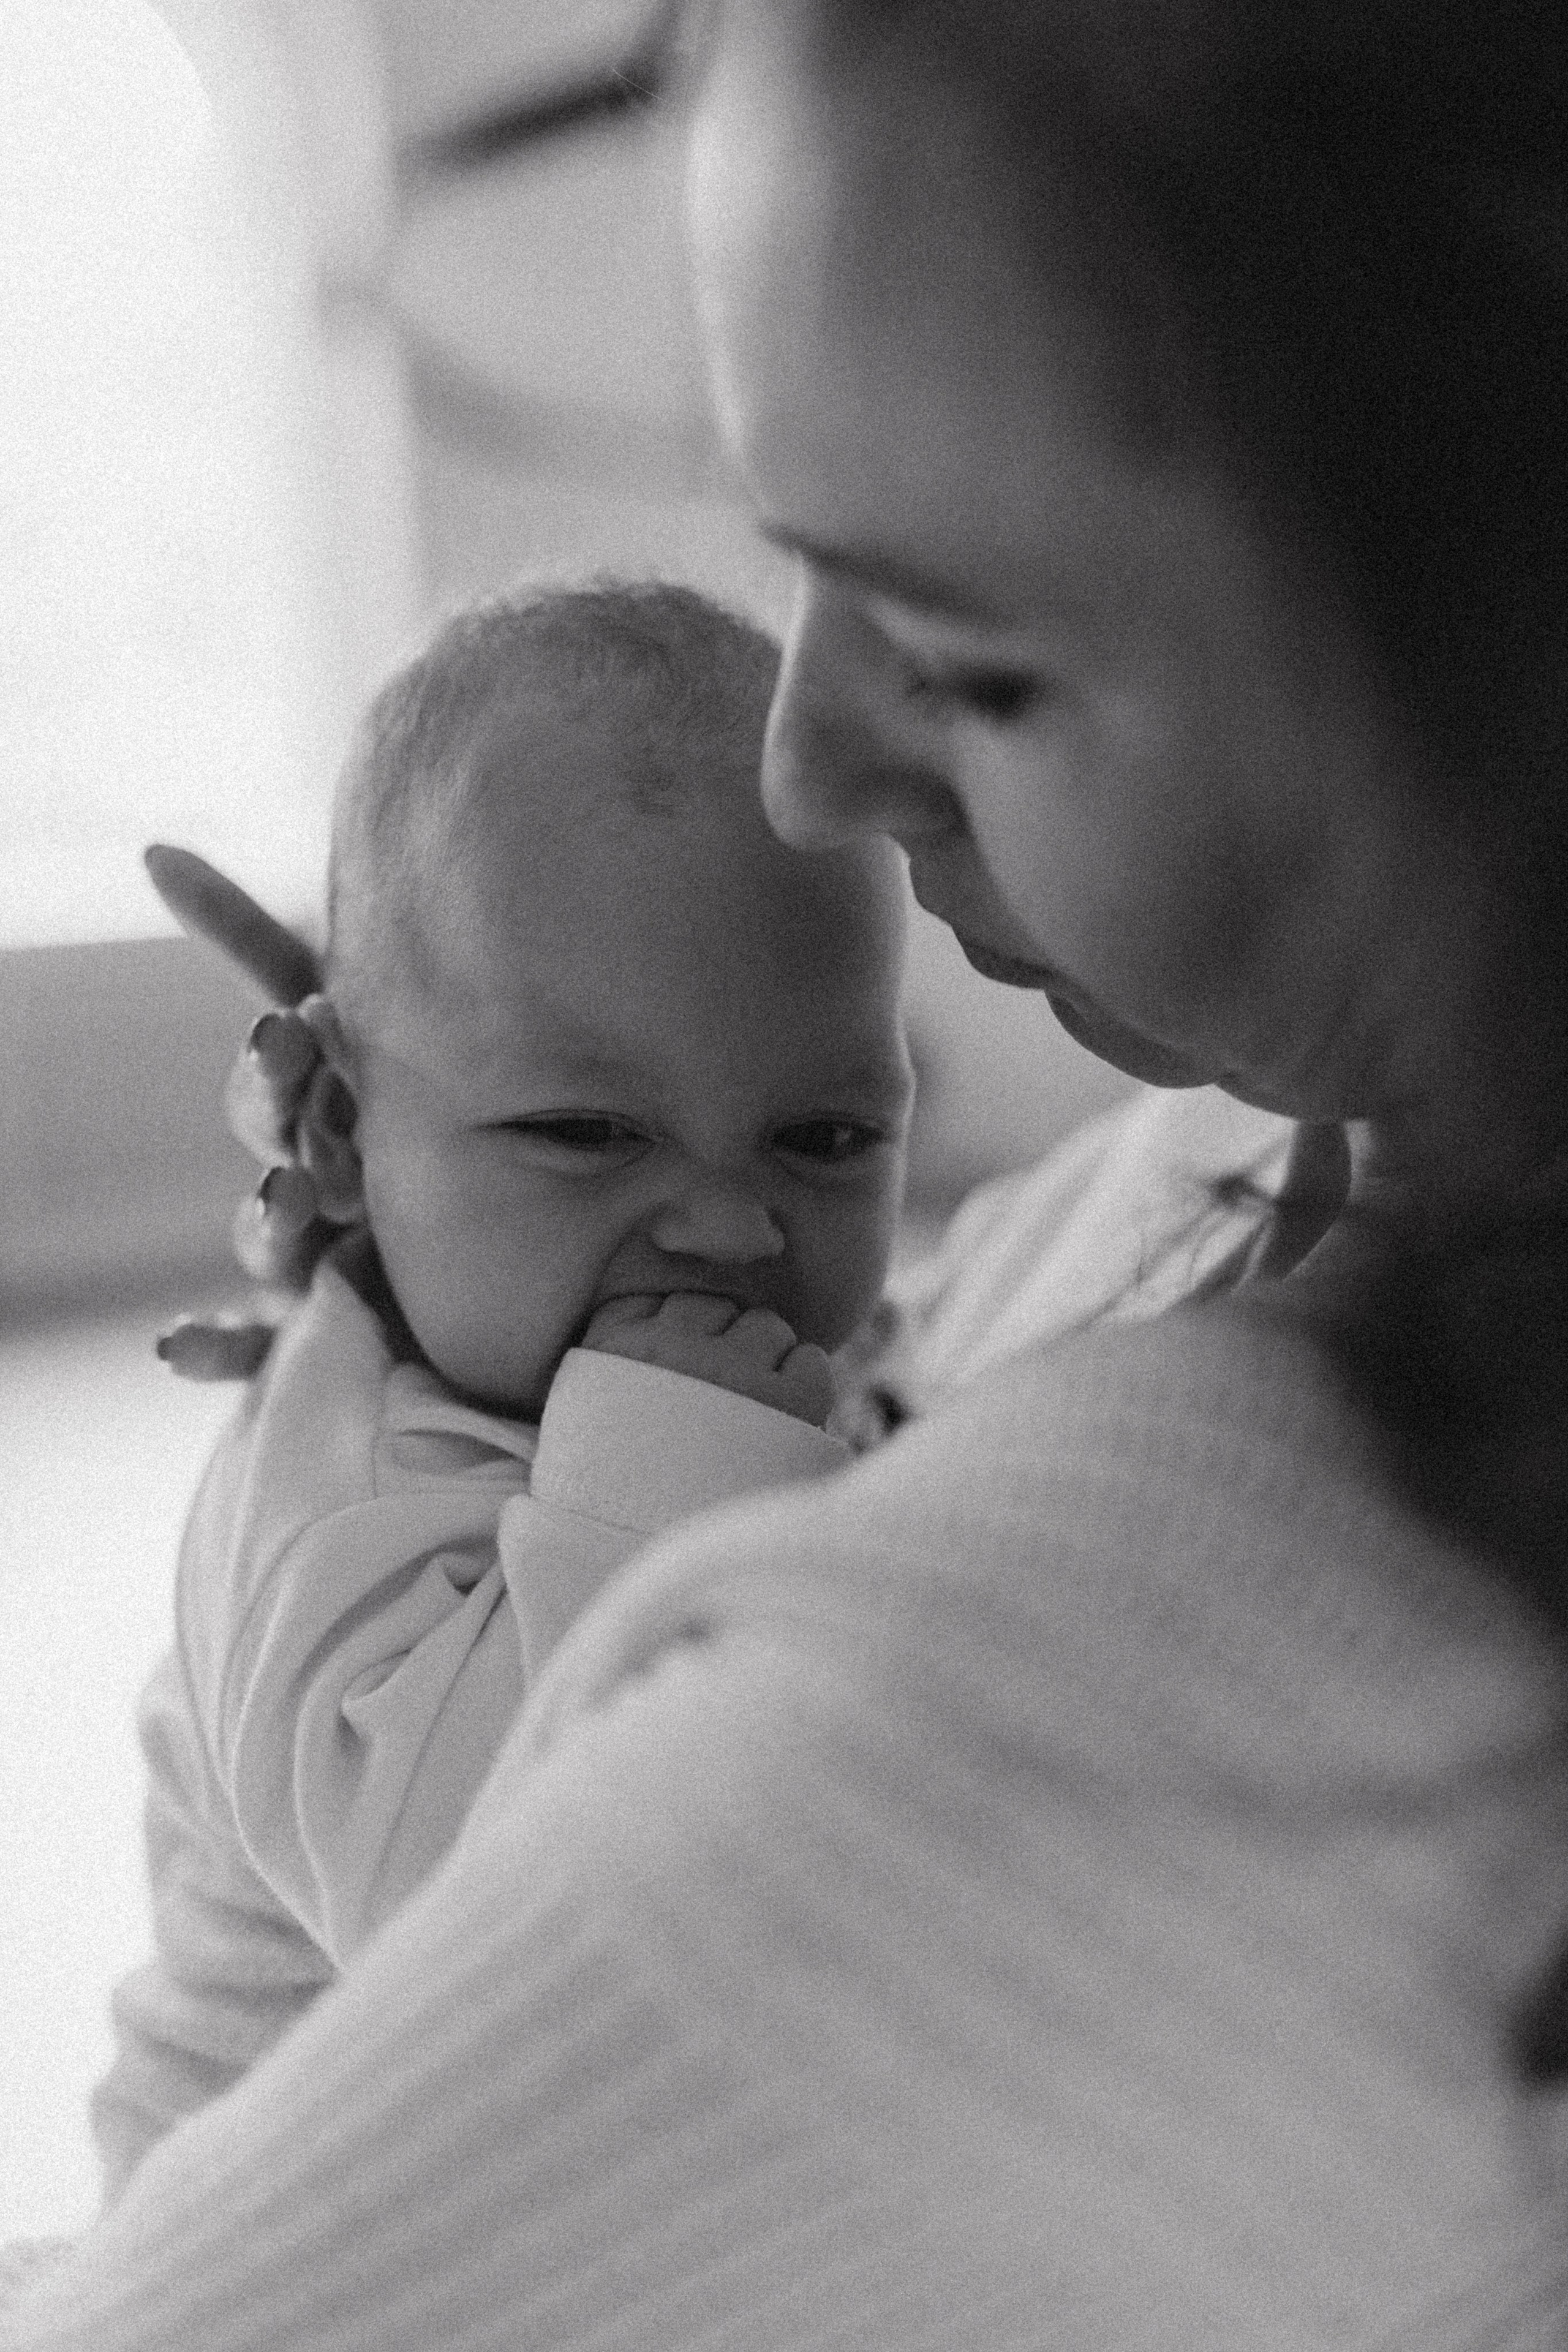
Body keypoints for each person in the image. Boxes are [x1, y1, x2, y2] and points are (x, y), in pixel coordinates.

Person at [9, 1, 1568, 2341]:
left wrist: (583, 1287)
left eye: (968, 655)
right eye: (799, 559)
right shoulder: (1219, 1169)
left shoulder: (1053, 1669)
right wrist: (458, 1228)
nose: (806, 764)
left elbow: (530, 1918)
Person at [90, 578, 912, 2200]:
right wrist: (668, 1464)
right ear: (340, 1133)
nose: (730, 1226)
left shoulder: (731, 1348)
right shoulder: (336, 1488)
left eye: (825, 1139)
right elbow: (482, 1936)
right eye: (585, 1134)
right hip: (301, 2249)